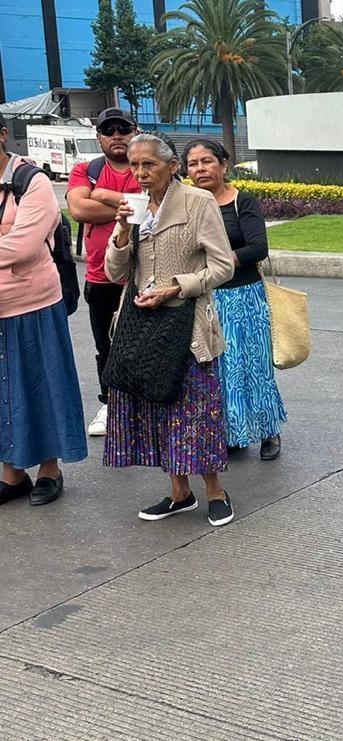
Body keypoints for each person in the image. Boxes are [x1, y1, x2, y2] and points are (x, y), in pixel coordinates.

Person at [103, 133, 237, 527]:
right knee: (156, 409)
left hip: (187, 324)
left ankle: (216, 490)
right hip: (142, 325)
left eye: (150, 165)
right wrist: (123, 231)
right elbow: (115, 272)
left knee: (195, 412)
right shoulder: (134, 207)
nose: (141, 173)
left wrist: (177, 286)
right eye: (135, 165)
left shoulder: (198, 202)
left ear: (172, 166)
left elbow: (223, 266)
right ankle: (179, 493)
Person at [0, 113, 87, 507]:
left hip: (32, 303)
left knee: (41, 385)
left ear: (3, 135)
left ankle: (49, 470)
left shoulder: (30, 181)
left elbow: (23, 246)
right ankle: (11, 474)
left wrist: (11, 242)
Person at [184, 138, 286, 461]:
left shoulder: (243, 202)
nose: (200, 169)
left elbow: (258, 248)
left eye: (206, 161)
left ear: (223, 165)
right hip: (207, 299)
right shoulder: (188, 205)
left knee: (254, 366)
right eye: (193, 164)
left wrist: (221, 261)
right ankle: (233, 433)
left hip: (244, 297)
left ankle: (269, 431)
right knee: (220, 370)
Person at [66, 107, 141, 437]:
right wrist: (131, 203)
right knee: (106, 346)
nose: (116, 135)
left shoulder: (146, 167)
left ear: (134, 132)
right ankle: (111, 403)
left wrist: (105, 197)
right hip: (100, 277)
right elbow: (80, 208)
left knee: (145, 344)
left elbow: (151, 207)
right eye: (108, 130)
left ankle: (146, 405)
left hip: (144, 275)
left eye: (122, 129)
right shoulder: (87, 170)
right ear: (99, 137)